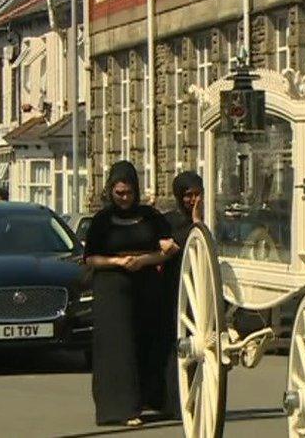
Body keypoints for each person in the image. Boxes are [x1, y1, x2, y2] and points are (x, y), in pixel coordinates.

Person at [83, 161, 176, 426]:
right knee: (119, 347)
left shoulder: (150, 216)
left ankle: (156, 399)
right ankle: (123, 408)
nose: (124, 199)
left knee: (152, 340)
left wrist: (145, 260)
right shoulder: (102, 221)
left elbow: (168, 249)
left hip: (146, 283)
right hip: (112, 288)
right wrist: (117, 263)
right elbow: (91, 258)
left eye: (128, 193)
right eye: (119, 193)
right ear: (111, 191)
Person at [159, 171, 204, 419]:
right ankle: (172, 402)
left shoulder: (209, 221)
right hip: (173, 289)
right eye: (188, 196)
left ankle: (195, 399)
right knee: (173, 347)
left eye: (197, 194)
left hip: (199, 292)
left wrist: (197, 220)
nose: (193, 200)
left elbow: (205, 243)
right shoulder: (169, 221)